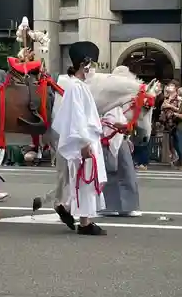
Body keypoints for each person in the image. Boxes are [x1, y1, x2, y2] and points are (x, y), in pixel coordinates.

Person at [52, 41, 107, 236]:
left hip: (88, 138)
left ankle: (79, 215)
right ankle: (85, 222)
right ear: (85, 64)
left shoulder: (78, 86)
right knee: (85, 181)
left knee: (88, 181)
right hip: (84, 140)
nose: (93, 69)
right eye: (92, 64)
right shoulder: (76, 87)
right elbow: (76, 118)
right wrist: (83, 143)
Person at [100, 101, 141, 217]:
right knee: (109, 171)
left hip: (120, 138)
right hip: (106, 138)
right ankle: (109, 206)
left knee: (126, 170)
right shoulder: (102, 102)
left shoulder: (120, 104)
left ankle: (128, 206)